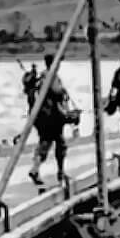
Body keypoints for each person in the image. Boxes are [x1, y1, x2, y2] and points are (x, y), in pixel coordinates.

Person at [28, 54, 71, 184]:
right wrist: (63, 91)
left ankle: (36, 169)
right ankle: (60, 172)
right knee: (60, 144)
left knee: (45, 143)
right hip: (52, 117)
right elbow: (56, 92)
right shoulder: (51, 76)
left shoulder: (41, 76)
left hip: (42, 117)